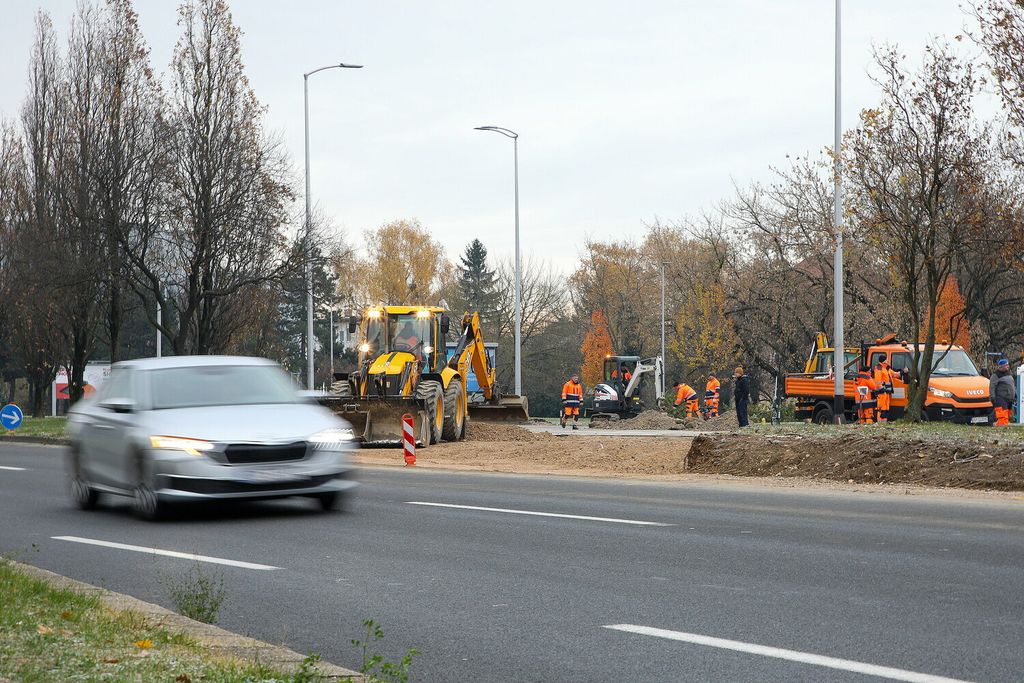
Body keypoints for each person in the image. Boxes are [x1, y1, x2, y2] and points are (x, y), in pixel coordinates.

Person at [990, 358, 1016, 427]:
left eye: (1008, 364)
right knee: (1002, 415)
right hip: (1000, 399)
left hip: (1009, 399)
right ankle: (1003, 429)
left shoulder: (1009, 374)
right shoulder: (995, 375)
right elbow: (992, 387)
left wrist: (1015, 395)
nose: (1008, 366)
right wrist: (992, 398)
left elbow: (1012, 385)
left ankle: (999, 426)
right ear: (1001, 366)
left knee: (1007, 415)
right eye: (1006, 365)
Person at [872, 354, 896, 423]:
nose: (888, 361)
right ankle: (880, 423)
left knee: (885, 408)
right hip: (882, 392)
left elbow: (895, 374)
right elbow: (877, 381)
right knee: (881, 408)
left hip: (886, 392)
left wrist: (903, 372)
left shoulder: (886, 368)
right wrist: (882, 389)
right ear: (883, 361)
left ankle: (884, 423)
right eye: (886, 359)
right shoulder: (879, 368)